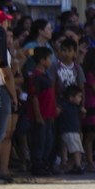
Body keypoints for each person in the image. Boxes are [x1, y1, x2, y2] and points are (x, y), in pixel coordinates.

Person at [27, 47, 57, 176]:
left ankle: (45, 164)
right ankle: (37, 166)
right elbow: (34, 97)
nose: (50, 61)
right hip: (41, 116)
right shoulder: (35, 76)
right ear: (42, 60)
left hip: (49, 115)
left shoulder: (45, 75)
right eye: (49, 58)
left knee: (48, 141)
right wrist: (38, 116)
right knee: (39, 141)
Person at [0, 10, 17, 183]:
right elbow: (7, 74)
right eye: (5, 22)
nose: (7, 25)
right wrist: (14, 96)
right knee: (1, 133)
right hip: (1, 91)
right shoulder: (0, 37)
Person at [57, 85, 86, 174]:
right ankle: (77, 165)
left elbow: (80, 117)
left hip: (74, 130)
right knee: (75, 149)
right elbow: (58, 112)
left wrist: (83, 113)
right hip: (69, 130)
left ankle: (68, 166)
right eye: (79, 97)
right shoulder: (65, 105)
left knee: (72, 147)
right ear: (71, 98)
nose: (80, 99)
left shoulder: (76, 107)